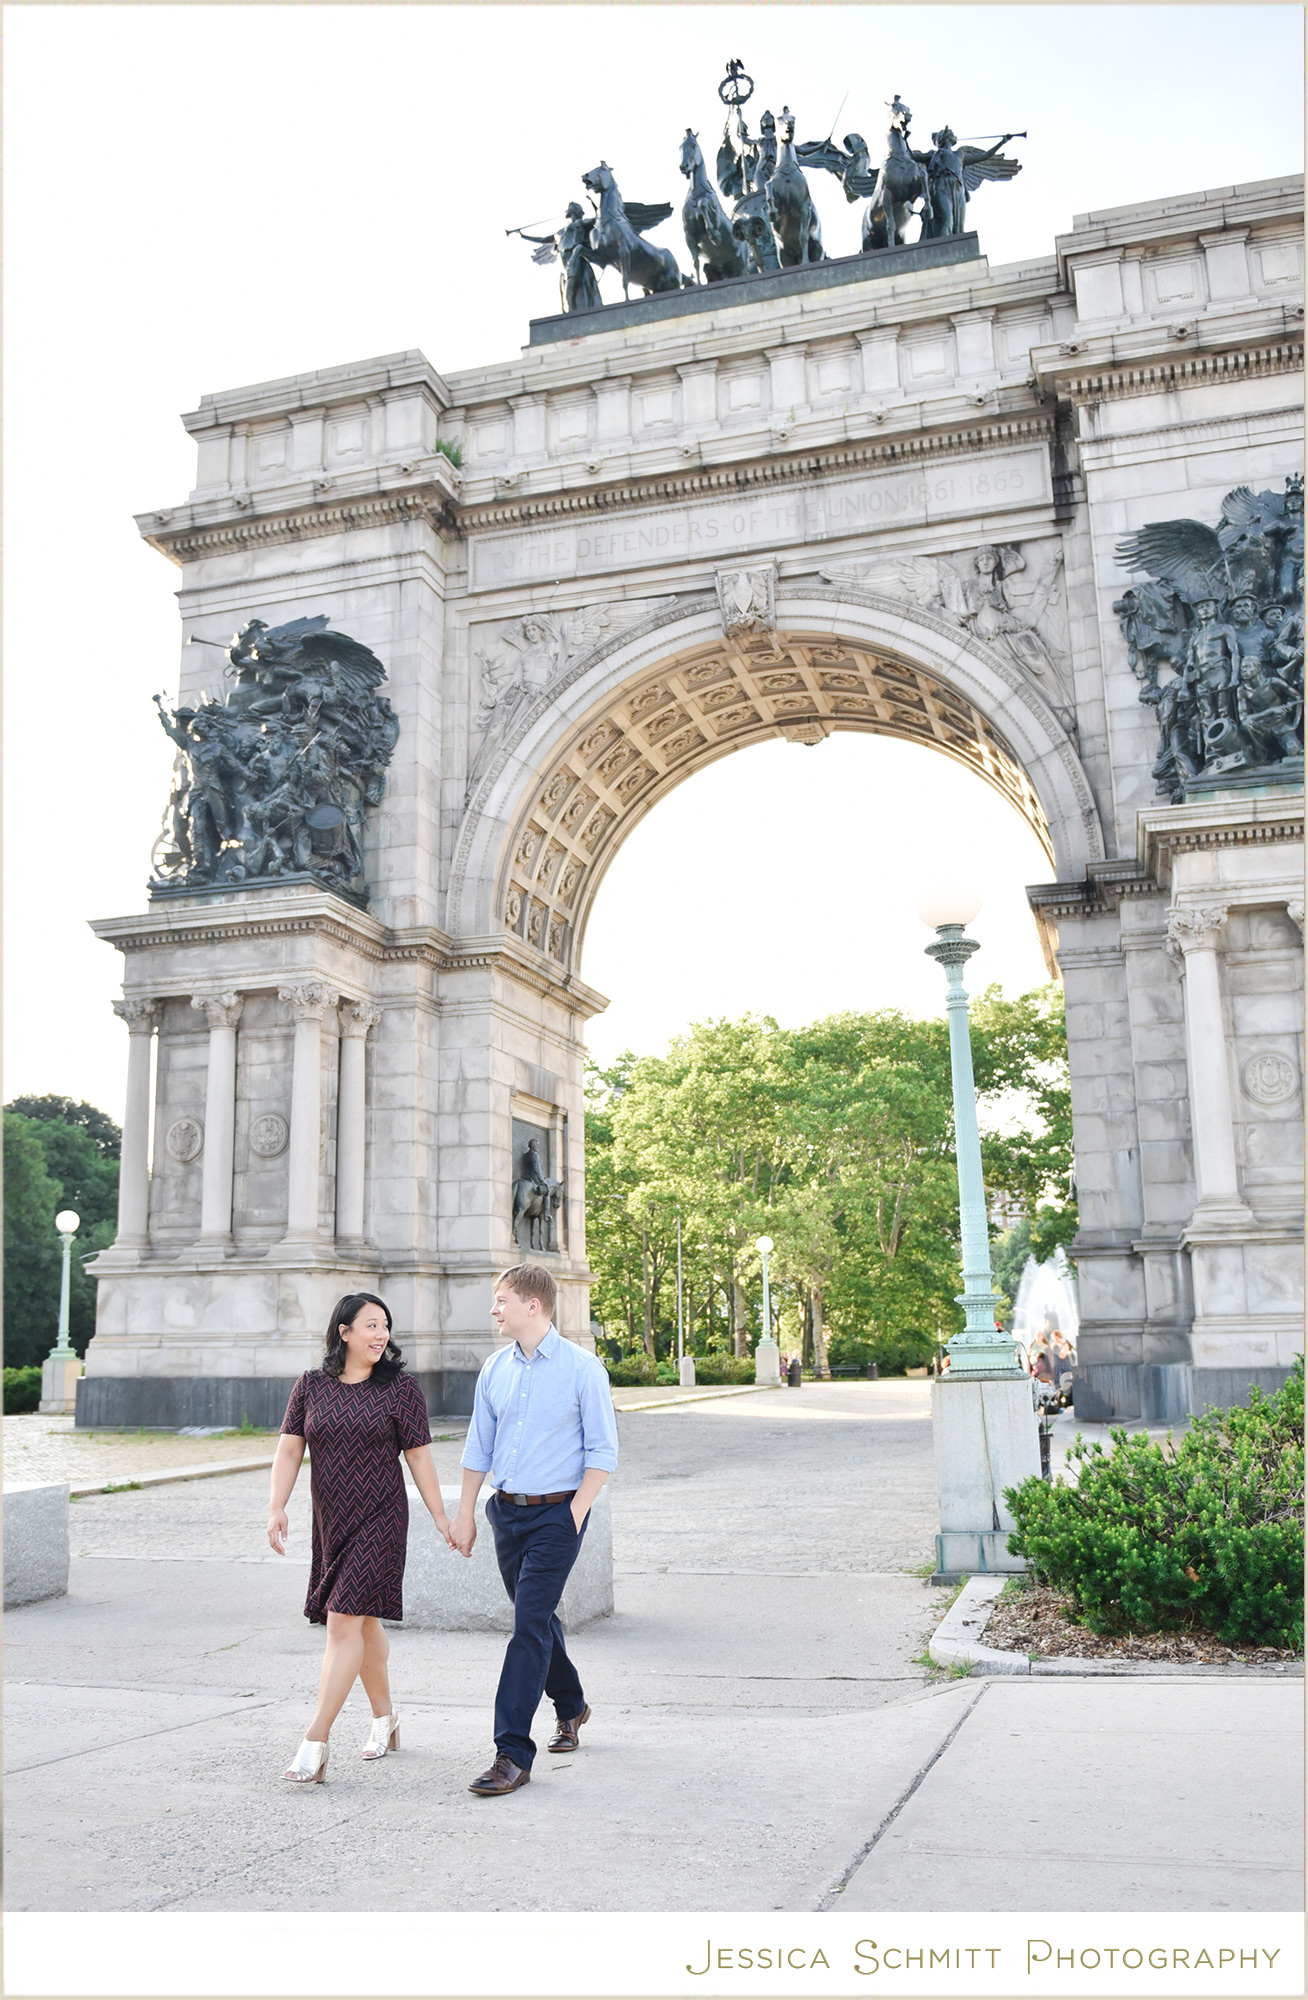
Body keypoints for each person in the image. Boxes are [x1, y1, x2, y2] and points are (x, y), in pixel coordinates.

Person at [268, 1292, 455, 1783]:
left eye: (385, 1326)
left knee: (342, 1622)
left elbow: (418, 1456)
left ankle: (315, 1741)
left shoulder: (401, 1389)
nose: (380, 1334)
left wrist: (440, 1516)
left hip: (382, 1517)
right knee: (363, 1622)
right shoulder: (311, 1385)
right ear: (344, 1332)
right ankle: (385, 1719)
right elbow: (289, 1452)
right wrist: (276, 1507)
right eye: (370, 1325)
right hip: (332, 1521)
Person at [451, 1263, 618, 1797]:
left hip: (557, 1515)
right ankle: (572, 1706)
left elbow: (603, 1451)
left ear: (533, 1306)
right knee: (538, 1619)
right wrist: (466, 1512)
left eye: (501, 1300)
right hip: (508, 1512)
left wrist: (574, 1513)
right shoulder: (495, 1369)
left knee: (526, 1625)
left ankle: (511, 1755)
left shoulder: (582, 1368)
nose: (494, 1309)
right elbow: (479, 1446)